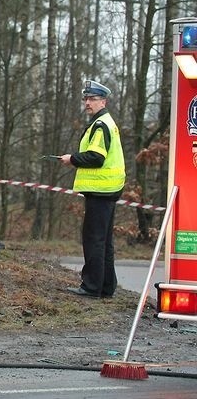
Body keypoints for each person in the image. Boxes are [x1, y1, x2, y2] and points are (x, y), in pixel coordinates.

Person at [59, 79, 126, 298]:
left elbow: (96, 157)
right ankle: (106, 286)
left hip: (101, 190)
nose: (88, 103)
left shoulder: (100, 125)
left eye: (92, 99)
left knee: (94, 239)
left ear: (103, 101)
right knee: (104, 241)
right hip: (108, 189)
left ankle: (91, 287)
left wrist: (72, 159)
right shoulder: (106, 122)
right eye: (86, 99)